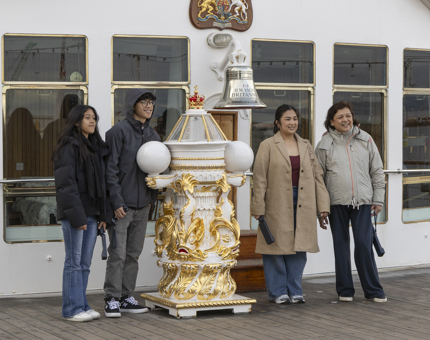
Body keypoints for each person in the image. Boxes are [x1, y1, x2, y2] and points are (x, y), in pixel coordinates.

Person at [251, 104, 330, 304]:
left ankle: (295, 290)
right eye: (287, 119)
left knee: (300, 245)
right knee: (275, 246)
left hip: (304, 201)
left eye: (295, 118)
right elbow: (259, 178)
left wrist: (323, 207)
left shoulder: (305, 145)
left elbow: (317, 177)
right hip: (276, 201)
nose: (292, 122)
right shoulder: (268, 145)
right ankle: (278, 292)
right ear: (277, 122)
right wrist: (258, 207)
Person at [315, 101, 387, 303]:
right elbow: (318, 178)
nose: (345, 120)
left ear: (352, 117)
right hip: (335, 203)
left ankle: (373, 290)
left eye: (348, 115)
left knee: (364, 245)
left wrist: (378, 198)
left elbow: (377, 171)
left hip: (363, 202)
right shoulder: (324, 144)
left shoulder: (366, 140)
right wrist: (321, 208)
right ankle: (345, 290)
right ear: (331, 121)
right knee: (341, 246)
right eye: (340, 117)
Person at [103, 89, 160, 317]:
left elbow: (155, 171)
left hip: (142, 205)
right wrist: (116, 202)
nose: (149, 106)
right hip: (122, 206)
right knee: (117, 253)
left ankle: (127, 297)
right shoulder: (117, 132)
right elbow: (111, 171)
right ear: (132, 104)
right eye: (144, 102)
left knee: (134, 253)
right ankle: (111, 298)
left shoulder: (154, 136)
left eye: (152, 102)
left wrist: (151, 201)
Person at [53, 105, 110, 322]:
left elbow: (101, 184)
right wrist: (77, 218)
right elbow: (66, 185)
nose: (92, 121)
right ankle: (72, 309)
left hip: (93, 213)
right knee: (74, 263)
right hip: (76, 214)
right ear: (76, 121)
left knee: (85, 264)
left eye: (94, 117)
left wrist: (103, 215)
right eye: (87, 118)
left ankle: (82, 305)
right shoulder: (69, 146)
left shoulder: (95, 147)